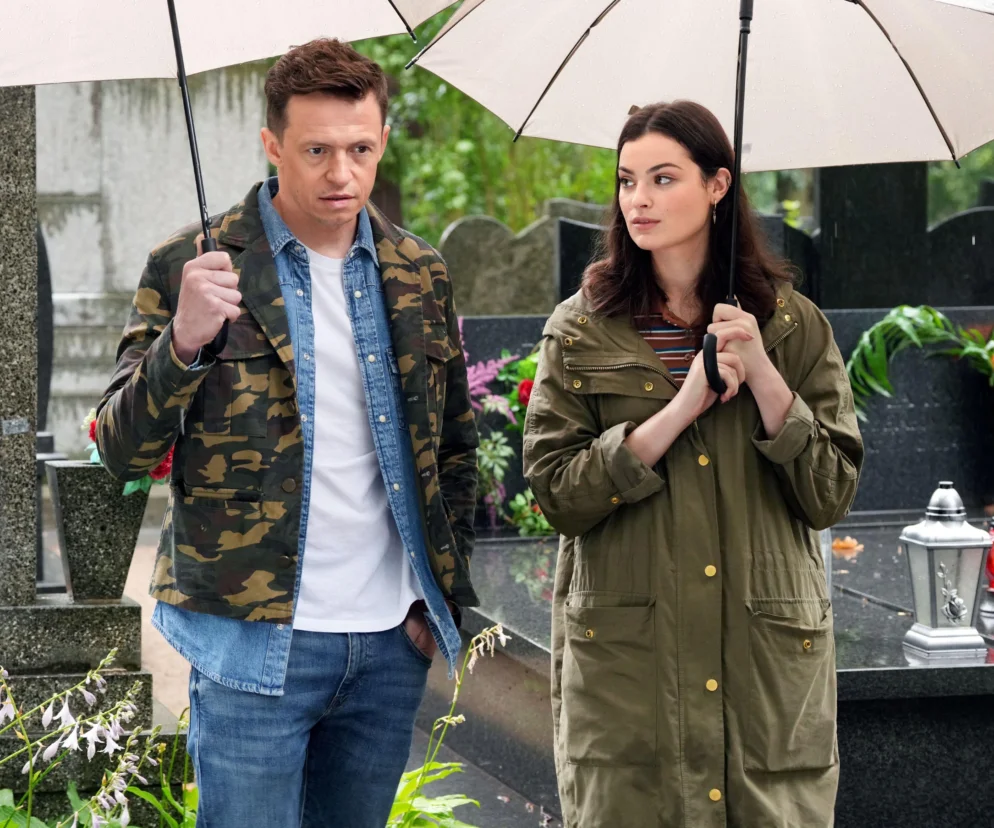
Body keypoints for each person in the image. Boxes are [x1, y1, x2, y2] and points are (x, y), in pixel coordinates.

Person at [94, 38, 478, 828]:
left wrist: (436, 604)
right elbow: (120, 452)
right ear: (273, 146)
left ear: (382, 141)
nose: (341, 174)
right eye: (316, 151)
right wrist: (184, 342)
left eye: (360, 149)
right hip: (252, 643)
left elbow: (454, 447)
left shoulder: (420, 272)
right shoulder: (191, 264)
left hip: (388, 642)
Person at [522, 100, 863, 828]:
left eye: (663, 178)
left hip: (763, 676)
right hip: (631, 677)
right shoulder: (580, 330)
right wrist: (679, 409)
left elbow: (831, 494)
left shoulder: (793, 326)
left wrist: (764, 375)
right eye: (626, 180)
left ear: (717, 185)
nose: (638, 200)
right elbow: (557, 495)